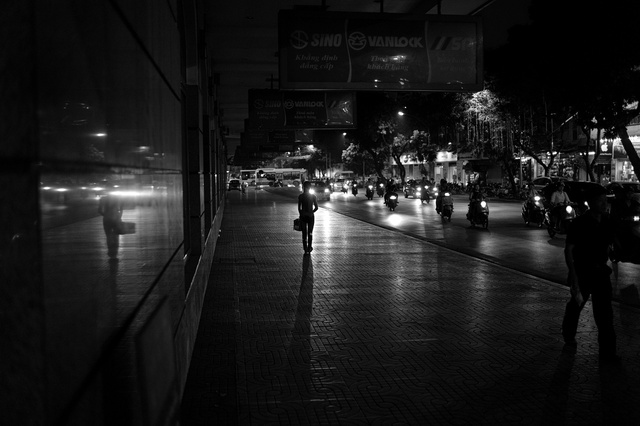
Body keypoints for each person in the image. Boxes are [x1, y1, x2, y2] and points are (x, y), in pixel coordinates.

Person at [561, 190, 618, 363]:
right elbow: (569, 249)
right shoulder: (580, 223)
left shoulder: (607, 221)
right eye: (600, 201)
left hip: (601, 272)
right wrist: (573, 274)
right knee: (576, 304)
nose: (604, 204)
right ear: (590, 203)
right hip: (583, 271)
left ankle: (608, 353)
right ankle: (568, 333)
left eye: (605, 201)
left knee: (605, 315)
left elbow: (613, 243)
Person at [98, 194, 123, 259]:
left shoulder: (103, 199)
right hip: (116, 218)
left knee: (108, 235)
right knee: (116, 235)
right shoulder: (118, 197)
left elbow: (99, 210)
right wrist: (119, 215)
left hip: (106, 219)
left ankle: (110, 252)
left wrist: (105, 215)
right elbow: (122, 208)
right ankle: (115, 252)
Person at [298, 181, 318, 255]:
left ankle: (305, 248)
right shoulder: (313, 196)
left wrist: (301, 214)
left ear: (303, 187)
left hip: (303, 216)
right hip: (310, 216)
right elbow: (316, 207)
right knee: (310, 232)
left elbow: (299, 208)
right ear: (310, 187)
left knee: (304, 233)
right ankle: (309, 247)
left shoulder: (301, 196)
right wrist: (311, 212)